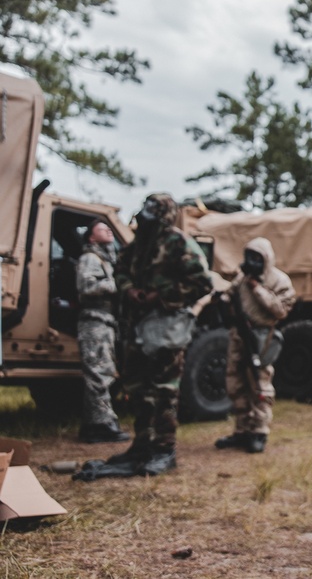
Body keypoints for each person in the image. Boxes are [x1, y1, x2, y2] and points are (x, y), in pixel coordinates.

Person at [75, 193, 213, 481]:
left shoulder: (177, 243)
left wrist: (159, 295)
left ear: (164, 214)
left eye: (153, 208)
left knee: (163, 390)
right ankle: (142, 446)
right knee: (137, 387)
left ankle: (164, 449)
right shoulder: (138, 245)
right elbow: (121, 271)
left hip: (165, 327)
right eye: (146, 206)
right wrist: (129, 290)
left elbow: (202, 283)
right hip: (136, 328)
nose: (145, 212)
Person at [215, 237, 296, 454]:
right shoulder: (242, 278)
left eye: (256, 257)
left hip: (261, 337)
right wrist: (223, 302)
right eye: (248, 256)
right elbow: (228, 294)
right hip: (239, 335)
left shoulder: (280, 280)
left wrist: (258, 289)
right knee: (235, 382)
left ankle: (259, 431)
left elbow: (280, 310)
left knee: (260, 385)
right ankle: (242, 430)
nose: (251, 262)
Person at [75, 219, 131, 444]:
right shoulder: (90, 258)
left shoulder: (107, 259)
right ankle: (101, 424)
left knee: (103, 370)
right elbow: (86, 286)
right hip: (94, 321)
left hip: (106, 321)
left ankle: (94, 424)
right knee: (98, 372)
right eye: (101, 228)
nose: (108, 230)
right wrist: (115, 284)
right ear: (91, 237)